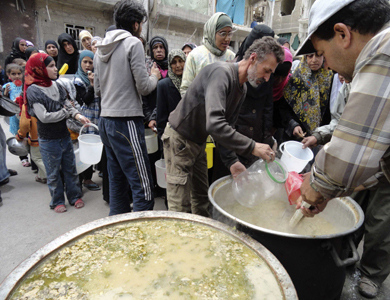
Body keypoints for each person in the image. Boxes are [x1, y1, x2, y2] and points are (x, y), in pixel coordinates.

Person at [294, 0, 390, 297]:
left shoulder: (383, 47)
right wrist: (333, 190)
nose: (330, 68)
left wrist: (317, 186)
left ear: (342, 34)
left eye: (322, 54)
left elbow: (353, 147)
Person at [163, 37, 284, 217]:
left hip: (199, 143)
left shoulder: (241, 89)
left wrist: (232, 162)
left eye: (270, 74)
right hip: (180, 140)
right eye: (266, 71)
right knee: (180, 206)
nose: (267, 78)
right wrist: (253, 146)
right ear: (252, 58)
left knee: (202, 199)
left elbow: (227, 128)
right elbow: (215, 124)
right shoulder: (222, 74)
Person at [94, 0, 161, 216]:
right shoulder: (133, 44)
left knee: (117, 184)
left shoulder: (100, 50)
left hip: (105, 121)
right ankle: (142, 235)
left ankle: (118, 231)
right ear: (135, 24)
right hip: (126, 122)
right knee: (143, 186)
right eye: (141, 23)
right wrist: (154, 76)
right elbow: (144, 87)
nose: (141, 27)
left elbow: (97, 89)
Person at [25, 53, 90, 213]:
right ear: (40, 69)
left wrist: (78, 115)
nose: (56, 68)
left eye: (55, 65)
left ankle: (75, 196)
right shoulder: (34, 90)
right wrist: (66, 113)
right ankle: (57, 200)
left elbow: (68, 104)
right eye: (51, 66)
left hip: (64, 136)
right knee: (53, 172)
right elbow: (45, 117)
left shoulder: (57, 86)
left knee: (70, 168)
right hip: (48, 140)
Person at [213, 24, 277, 180]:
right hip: (233, 141)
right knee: (226, 183)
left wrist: (267, 139)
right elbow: (219, 123)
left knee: (248, 184)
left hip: (254, 140)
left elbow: (268, 110)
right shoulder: (233, 74)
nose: (266, 77)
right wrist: (236, 153)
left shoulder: (266, 73)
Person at [279, 53, 332, 142]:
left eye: (318, 55)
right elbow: (284, 107)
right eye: (310, 56)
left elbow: (330, 111)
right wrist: (293, 125)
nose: (314, 60)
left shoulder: (330, 78)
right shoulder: (297, 78)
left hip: (318, 137)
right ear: (305, 57)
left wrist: (319, 136)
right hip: (294, 136)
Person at [180, 12, 236, 96]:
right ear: (212, 32)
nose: (227, 38)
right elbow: (185, 90)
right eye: (223, 33)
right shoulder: (195, 56)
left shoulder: (232, 57)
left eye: (230, 33)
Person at [74, 50, 100, 191]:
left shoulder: (99, 77)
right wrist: (91, 84)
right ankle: (81, 178)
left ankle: (88, 177)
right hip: (86, 118)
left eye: (91, 62)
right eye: (85, 62)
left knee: (94, 148)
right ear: (80, 63)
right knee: (85, 148)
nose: (88, 65)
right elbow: (85, 99)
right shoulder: (78, 81)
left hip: (98, 117)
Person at [2, 63, 31, 168]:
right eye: (13, 74)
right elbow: (4, 102)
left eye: (19, 73)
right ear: (9, 75)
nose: (17, 76)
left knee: (29, 136)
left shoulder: (25, 85)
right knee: (19, 137)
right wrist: (5, 93)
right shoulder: (7, 86)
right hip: (15, 117)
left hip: (25, 115)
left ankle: (32, 156)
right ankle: (23, 158)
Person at [156, 49, 186, 140]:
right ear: (169, 65)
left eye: (180, 61)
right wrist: (163, 139)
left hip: (191, 136)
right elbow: (161, 117)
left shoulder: (191, 83)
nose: (178, 65)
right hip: (172, 136)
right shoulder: (163, 85)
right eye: (174, 62)